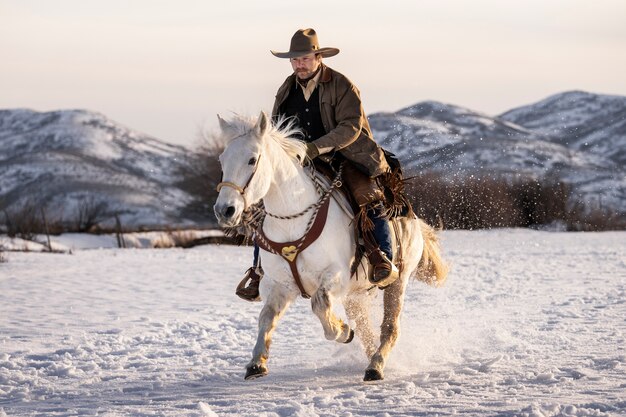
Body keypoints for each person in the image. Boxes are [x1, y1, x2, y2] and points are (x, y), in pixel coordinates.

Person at [236, 28, 401, 302]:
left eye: (304, 58)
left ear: (318, 56)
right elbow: (277, 128)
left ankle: (381, 257)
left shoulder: (342, 84)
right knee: (269, 204)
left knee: (366, 195)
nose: (299, 64)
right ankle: (259, 271)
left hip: (347, 155)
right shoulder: (286, 88)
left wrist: (314, 148)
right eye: (294, 60)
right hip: (300, 159)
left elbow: (351, 127)